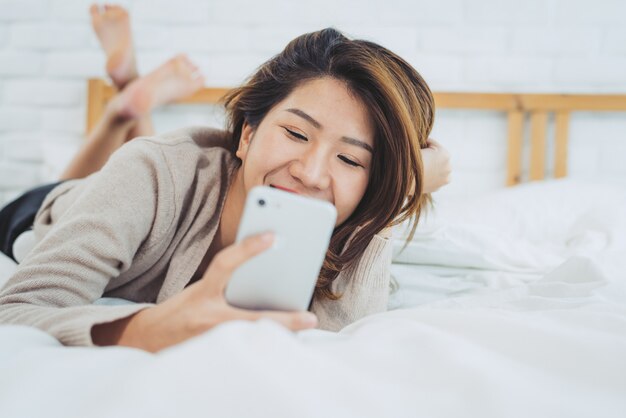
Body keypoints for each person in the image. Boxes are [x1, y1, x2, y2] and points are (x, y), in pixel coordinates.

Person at [0, 7, 450, 353]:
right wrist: (142, 330)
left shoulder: (355, 215)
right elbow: (16, 311)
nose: (310, 173)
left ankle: (128, 104)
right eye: (295, 133)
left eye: (351, 159)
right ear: (248, 134)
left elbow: (337, 339)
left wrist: (395, 194)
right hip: (42, 211)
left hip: (165, 181)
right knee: (135, 172)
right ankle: (122, 109)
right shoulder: (153, 169)